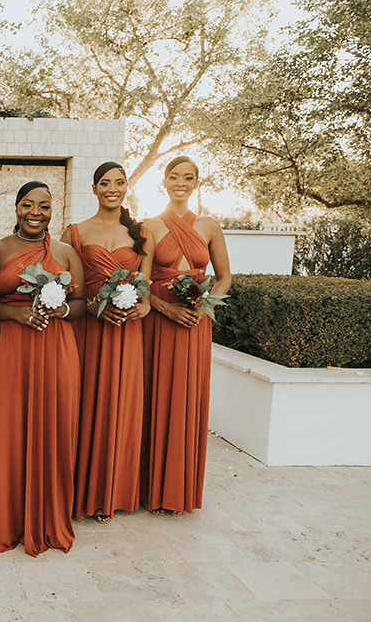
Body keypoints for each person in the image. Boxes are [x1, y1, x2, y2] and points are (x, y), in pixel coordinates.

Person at [0, 181, 85, 555]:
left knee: (54, 429)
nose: (36, 212)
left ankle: (48, 519)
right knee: (7, 433)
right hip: (6, 347)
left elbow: (83, 302)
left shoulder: (67, 253)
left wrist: (64, 309)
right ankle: (7, 522)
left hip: (55, 350)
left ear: (53, 211)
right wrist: (14, 313)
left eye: (44, 206)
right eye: (28, 204)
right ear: (16, 207)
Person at [61, 162, 154, 523]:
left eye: (119, 183)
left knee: (122, 406)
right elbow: (67, 283)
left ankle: (111, 493)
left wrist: (139, 308)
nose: (112, 189)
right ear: (94, 188)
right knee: (83, 404)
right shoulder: (75, 232)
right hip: (88, 329)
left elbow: (145, 290)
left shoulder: (142, 232)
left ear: (126, 187)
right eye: (105, 183)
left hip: (127, 331)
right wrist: (96, 306)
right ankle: (79, 493)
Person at [141, 156, 231, 515]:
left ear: (196, 183)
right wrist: (167, 309)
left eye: (188, 178)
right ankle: (150, 487)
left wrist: (204, 302)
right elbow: (142, 282)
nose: (181, 182)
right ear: (163, 181)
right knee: (157, 394)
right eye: (174, 176)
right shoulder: (148, 225)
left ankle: (177, 490)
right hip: (160, 318)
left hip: (196, 319)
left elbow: (224, 276)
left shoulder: (209, 225)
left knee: (186, 397)